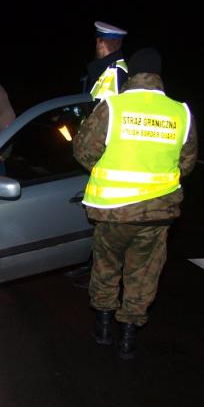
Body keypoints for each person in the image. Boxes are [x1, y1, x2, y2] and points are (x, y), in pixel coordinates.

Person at [73, 48, 198, 359]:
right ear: (158, 76)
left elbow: (84, 151)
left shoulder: (113, 106)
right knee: (143, 274)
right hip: (157, 213)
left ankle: (103, 328)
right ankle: (128, 338)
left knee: (105, 267)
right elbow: (188, 163)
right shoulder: (181, 112)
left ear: (131, 75)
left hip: (114, 211)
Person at [66, 21, 130, 280]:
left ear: (101, 44)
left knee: (105, 213)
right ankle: (93, 262)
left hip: (104, 151)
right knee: (97, 211)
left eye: (96, 42)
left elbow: (106, 112)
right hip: (97, 148)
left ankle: (99, 269)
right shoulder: (109, 70)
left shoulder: (115, 73)